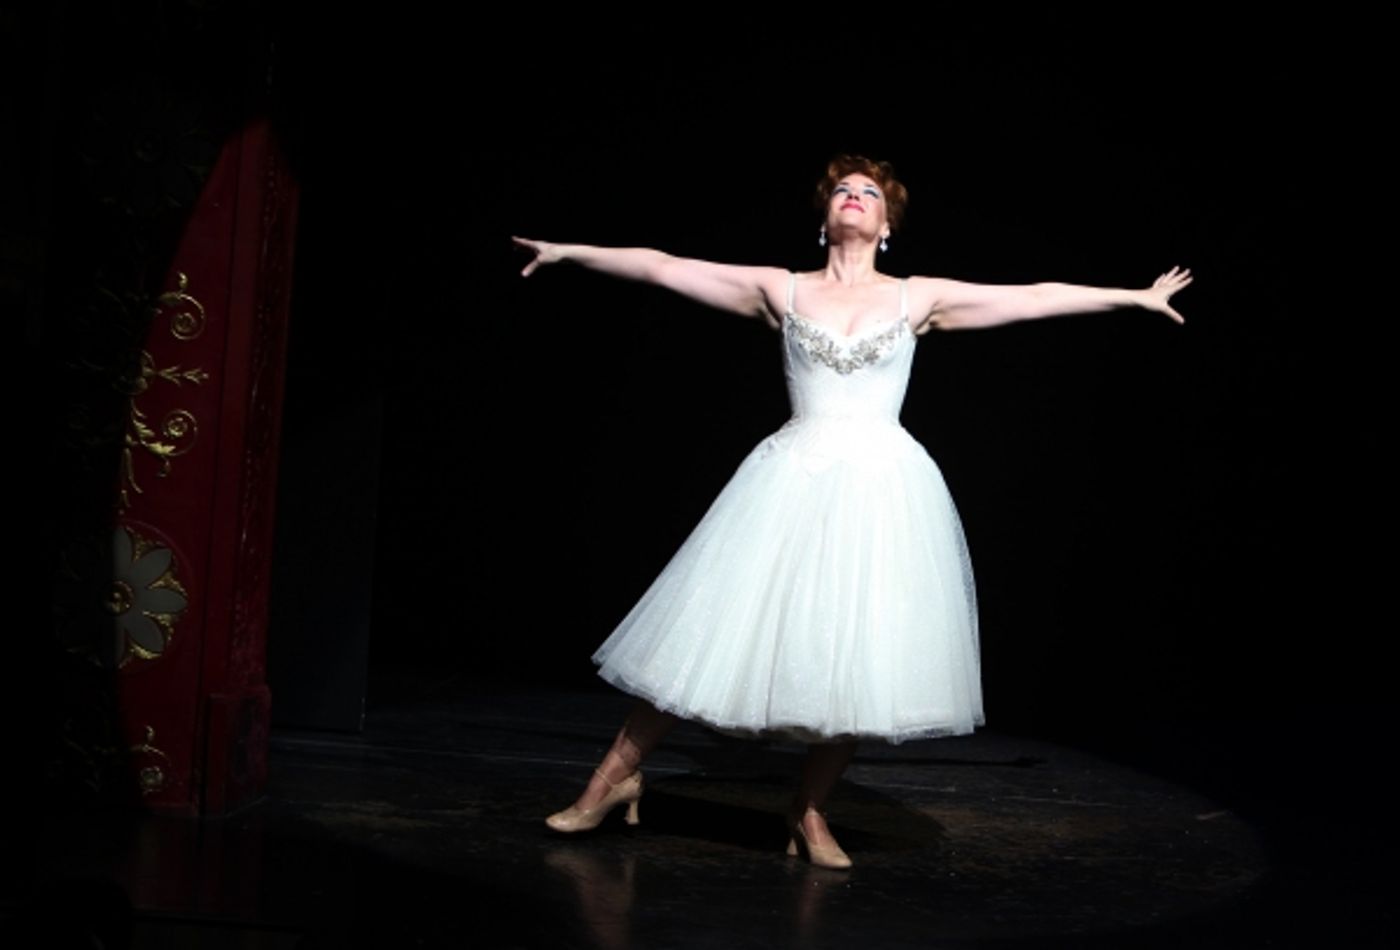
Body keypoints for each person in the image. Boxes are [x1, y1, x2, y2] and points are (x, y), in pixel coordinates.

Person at [513, 155, 1189, 869]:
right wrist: (569, 252)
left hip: (881, 488)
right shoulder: (782, 288)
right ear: (825, 215)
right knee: (704, 633)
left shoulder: (916, 297)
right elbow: (661, 265)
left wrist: (1133, 297)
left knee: (857, 653)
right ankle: (610, 782)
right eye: (844, 188)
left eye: (870, 192)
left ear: (887, 223)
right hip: (789, 481)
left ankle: (808, 813)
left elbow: (1032, 294)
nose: (856, 197)